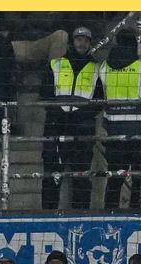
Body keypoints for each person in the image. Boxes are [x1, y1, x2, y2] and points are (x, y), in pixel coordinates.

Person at [41, 27, 101, 210]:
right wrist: (58, 112)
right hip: (56, 126)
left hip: (83, 128)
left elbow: (100, 100)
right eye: (78, 39)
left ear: (90, 43)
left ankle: (81, 215)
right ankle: (48, 215)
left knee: (81, 177)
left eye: (86, 40)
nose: (82, 43)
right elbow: (44, 93)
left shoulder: (97, 68)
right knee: (51, 176)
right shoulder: (55, 64)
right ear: (71, 42)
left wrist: (81, 114)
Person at [101, 29, 141, 208]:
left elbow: (97, 95)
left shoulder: (104, 68)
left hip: (114, 135)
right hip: (139, 134)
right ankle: (136, 213)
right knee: (139, 179)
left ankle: (110, 213)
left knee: (114, 180)